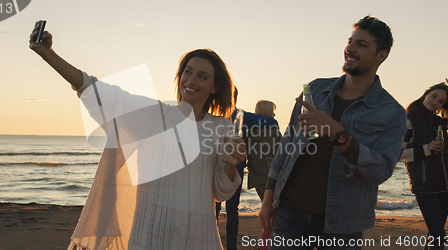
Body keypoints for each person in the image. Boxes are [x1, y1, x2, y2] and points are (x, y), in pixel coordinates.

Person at [29, 21, 247, 250]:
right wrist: (48, 54)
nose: (191, 81)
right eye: (187, 72)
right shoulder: (153, 116)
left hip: (200, 238)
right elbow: (95, 90)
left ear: (214, 86)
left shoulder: (222, 127)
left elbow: (219, 193)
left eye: (202, 76)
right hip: (150, 236)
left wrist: (231, 165)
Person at [259, 15, 407, 250]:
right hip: (289, 213)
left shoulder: (392, 112)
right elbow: (287, 146)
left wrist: (339, 134)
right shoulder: (315, 89)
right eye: (350, 41)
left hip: (343, 224)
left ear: (382, 55)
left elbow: (381, 170)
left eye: (362, 44)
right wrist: (268, 197)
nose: (349, 48)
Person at [215, 89, 279, 250]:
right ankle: (229, 247)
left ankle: (222, 245)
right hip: (228, 168)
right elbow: (271, 122)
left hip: (225, 168)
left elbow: (271, 122)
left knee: (217, 210)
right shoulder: (240, 116)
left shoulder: (218, 115)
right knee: (231, 210)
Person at [399, 79, 448, 250]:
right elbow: (398, 154)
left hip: (444, 187)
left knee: (435, 236)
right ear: (425, 94)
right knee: (439, 239)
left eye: (441, 101)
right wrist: (427, 148)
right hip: (425, 187)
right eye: (433, 96)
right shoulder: (408, 120)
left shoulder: (438, 122)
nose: (435, 102)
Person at [247, 100, 281, 201]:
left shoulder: (249, 134)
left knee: (266, 203)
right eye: (272, 111)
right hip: (271, 176)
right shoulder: (273, 132)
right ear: (267, 112)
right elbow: (281, 153)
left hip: (256, 175)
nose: (274, 114)